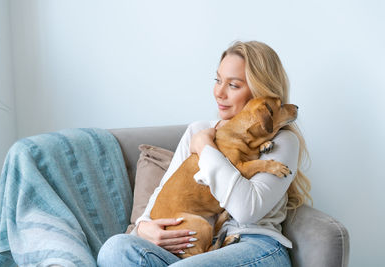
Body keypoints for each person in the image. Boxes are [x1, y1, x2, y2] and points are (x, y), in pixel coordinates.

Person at [97, 40, 312, 266]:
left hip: (255, 244)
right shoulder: (198, 130)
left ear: (260, 94)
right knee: (114, 249)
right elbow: (165, 189)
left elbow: (247, 210)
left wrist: (204, 147)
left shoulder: (282, 140)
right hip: (191, 246)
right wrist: (144, 228)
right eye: (218, 80)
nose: (219, 93)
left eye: (234, 85)